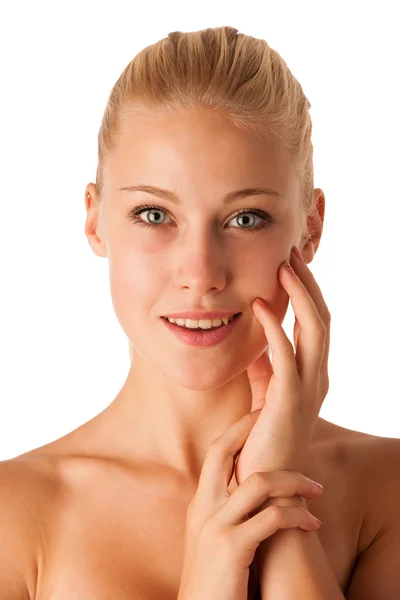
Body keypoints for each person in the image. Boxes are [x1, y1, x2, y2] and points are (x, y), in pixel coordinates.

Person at [1, 25, 399, 600]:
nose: (201, 273)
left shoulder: (387, 490)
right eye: (154, 214)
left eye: (245, 219)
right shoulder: (17, 516)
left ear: (310, 228)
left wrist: (270, 490)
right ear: (94, 220)